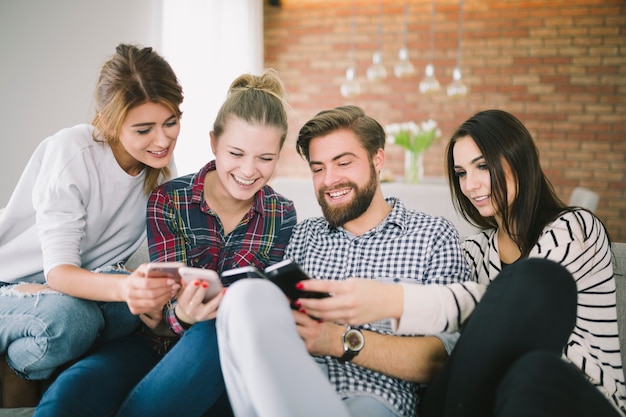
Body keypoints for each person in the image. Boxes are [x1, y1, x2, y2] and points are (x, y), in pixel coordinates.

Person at [293, 109, 625, 416]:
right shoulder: (475, 250)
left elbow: (520, 307)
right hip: (489, 399)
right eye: (462, 173)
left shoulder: (573, 227)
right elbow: (468, 334)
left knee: (535, 350)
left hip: (574, 390)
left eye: (483, 166)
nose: (471, 185)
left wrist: (391, 301)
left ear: (519, 159)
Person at [35, 69, 297, 417]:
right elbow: (161, 310)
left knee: (213, 332)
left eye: (266, 158)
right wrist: (181, 315)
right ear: (213, 142)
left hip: (226, 354)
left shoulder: (283, 214)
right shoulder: (168, 199)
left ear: (279, 154)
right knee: (77, 388)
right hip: (153, 344)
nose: (249, 170)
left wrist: (199, 317)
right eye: (236, 153)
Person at [216, 105, 471, 417]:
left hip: (372, 399)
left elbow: (441, 360)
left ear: (377, 159)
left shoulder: (432, 236)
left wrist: (336, 340)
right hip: (292, 386)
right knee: (244, 296)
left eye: (343, 163)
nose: (329, 180)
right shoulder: (303, 235)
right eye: (318, 168)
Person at [0, 43, 183, 408]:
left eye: (171, 122)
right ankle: (18, 366)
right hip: (17, 283)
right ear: (107, 122)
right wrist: (127, 287)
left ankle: (38, 366)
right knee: (71, 320)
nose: (162, 140)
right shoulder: (73, 151)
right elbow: (59, 273)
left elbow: (146, 261)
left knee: (123, 313)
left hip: (76, 286)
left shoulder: (161, 169)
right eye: (144, 129)